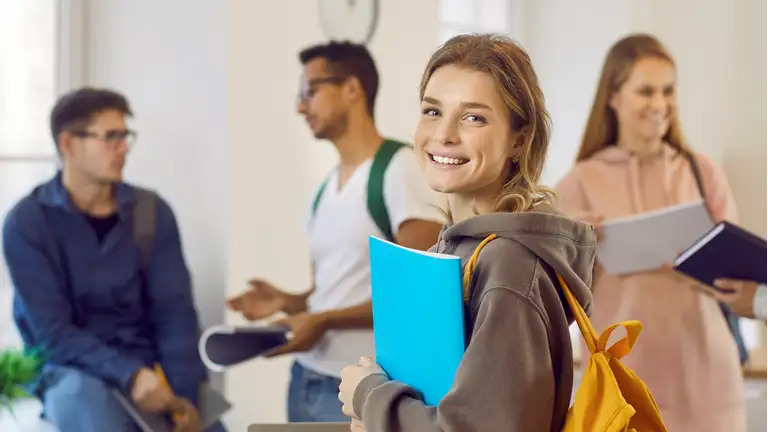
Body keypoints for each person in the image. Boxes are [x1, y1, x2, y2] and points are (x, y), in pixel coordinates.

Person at [337, 34, 596, 431]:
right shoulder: (454, 246)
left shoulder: (509, 266)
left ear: (519, 140)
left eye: (474, 117)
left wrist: (370, 398)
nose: (444, 134)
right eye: (432, 111)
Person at [227, 41, 444, 422]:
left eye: (310, 91)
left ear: (352, 89)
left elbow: (416, 294)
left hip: (361, 387)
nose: (300, 106)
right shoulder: (323, 190)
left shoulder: (400, 169)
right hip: (306, 377)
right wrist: (291, 302)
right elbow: (341, 288)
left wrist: (324, 320)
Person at [3, 88, 223, 432]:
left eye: (125, 136)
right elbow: (53, 334)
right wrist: (129, 374)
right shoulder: (27, 224)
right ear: (68, 144)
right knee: (88, 406)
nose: (123, 148)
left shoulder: (152, 212)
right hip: (71, 370)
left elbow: (175, 314)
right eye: (110, 137)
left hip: (151, 370)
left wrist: (185, 398)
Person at [555, 34, 744, 431]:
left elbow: (739, 281)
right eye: (645, 91)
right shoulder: (577, 184)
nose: (660, 104)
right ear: (613, 96)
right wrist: (578, 246)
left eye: (668, 91)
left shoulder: (702, 172)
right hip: (623, 381)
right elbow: (560, 296)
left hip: (707, 378)